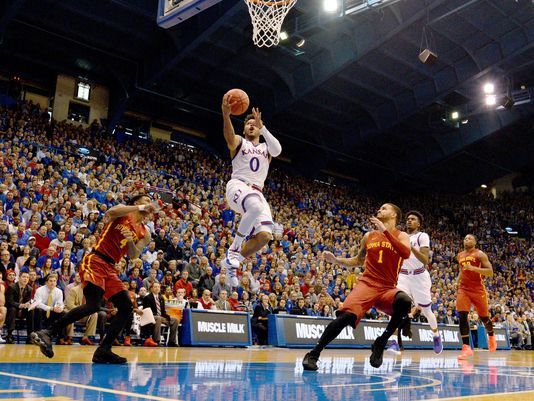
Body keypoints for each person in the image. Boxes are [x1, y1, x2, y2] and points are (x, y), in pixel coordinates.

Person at [30, 194, 154, 364]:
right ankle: (48, 332)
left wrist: (130, 241)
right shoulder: (123, 213)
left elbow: (133, 255)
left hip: (111, 268)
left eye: (150, 202)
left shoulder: (145, 232)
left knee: (126, 306)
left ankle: (104, 349)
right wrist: (139, 208)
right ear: (136, 203)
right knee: (94, 305)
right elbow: (112, 210)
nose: (149, 204)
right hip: (96, 259)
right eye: (145, 200)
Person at [302, 203, 412, 371]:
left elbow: (405, 253)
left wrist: (385, 231)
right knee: (345, 317)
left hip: (387, 288)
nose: (379, 210)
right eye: (379, 207)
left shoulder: (402, 235)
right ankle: (313, 354)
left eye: (384, 208)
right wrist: (337, 260)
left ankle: (381, 342)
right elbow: (358, 261)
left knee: (404, 301)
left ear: (394, 215)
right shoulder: (368, 236)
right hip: (367, 284)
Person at [221, 96, 282, 286]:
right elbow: (229, 138)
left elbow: (278, 150)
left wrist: (263, 127)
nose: (251, 126)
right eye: (248, 123)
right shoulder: (240, 142)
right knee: (255, 205)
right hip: (238, 186)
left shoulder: (266, 147)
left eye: (254, 124)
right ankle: (234, 248)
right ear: (244, 128)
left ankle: (234, 262)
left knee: (265, 236)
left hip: (257, 192)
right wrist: (226, 115)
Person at [388, 211, 442, 355]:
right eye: (408, 219)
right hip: (403, 276)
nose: (409, 221)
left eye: (413, 219)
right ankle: (393, 341)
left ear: (419, 223)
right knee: (394, 306)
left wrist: (410, 247)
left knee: (427, 311)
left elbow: (425, 260)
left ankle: (436, 335)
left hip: (419, 276)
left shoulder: (422, 236)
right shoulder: (400, 236)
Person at [456, 234, 496, 359]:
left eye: (470, 238)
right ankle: (466, 347)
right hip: (464, 289)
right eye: (465, 238)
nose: (466, 240)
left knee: (484, 318)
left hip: (478, 290)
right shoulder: (460, 255)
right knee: (462, 316)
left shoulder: (480, 254)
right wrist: (457, 281)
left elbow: (490, 273)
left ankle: (491, 336)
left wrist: (473, 268)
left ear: (475, 242)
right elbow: (462, 270)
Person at [142, 282, 179, 347]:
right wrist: (156, 315)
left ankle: (171, 341)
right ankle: (156, 340)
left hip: (161, 317)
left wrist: (168, 317)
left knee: (175, 320)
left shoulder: (161, 298)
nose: (157, 288)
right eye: (155, 287)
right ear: (151, 289)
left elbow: (163, 311)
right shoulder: (147, 298)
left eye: (158, 287)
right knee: (158, 318)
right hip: (151, 317)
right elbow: (146, 311)